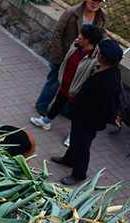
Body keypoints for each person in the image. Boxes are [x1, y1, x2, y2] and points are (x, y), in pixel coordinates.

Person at [51, 39, 123, 185]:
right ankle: (69, 159)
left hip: (89, 120)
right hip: (81, 115)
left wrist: (112, 117)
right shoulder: (107, 71)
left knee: (82, 146)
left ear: (101, 56)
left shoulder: (106, 82)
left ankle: (79, 173)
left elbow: (108, 105)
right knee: (76, 140)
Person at [35, 0, 108, 116]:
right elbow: (57, 33)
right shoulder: (71, 13)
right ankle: (42, 105)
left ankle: (64, 108)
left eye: (99, 1)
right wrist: (58, 57)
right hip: (65, 54)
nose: (95, 3)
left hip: (82, 58)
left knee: (73, 84)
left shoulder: (102, 16)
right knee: (55, 80)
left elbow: (102, 34)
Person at [30, 24, 103, 132]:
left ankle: (72, 136)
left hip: (78, 91)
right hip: (65, 84)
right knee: (58, 103)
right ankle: (46, 122)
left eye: (81, 35)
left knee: (76, 113)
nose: (78, 36)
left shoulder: (95, 59)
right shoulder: (76, 45)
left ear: (88, 40)